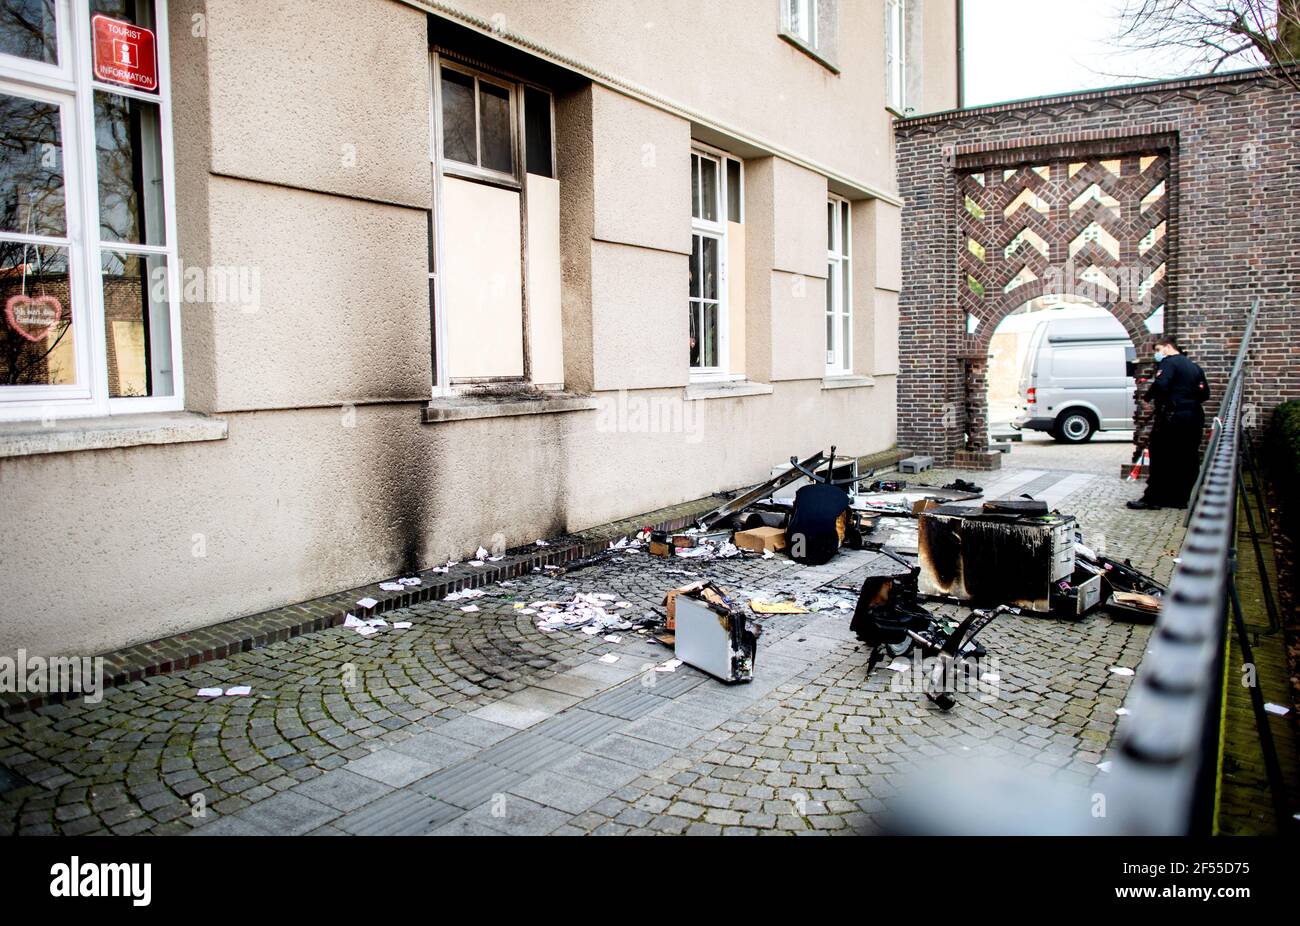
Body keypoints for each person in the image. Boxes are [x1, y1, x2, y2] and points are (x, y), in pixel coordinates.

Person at [1127, 335, 1210, 510]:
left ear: (1167, 347)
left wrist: (1150, 397)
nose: (1157, 354)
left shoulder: (1169, 362)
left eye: (1158, 350)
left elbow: (1161, 384)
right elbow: (1205, 394)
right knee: (1187, 458)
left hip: (1172, 417)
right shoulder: (1194, 367)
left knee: (1161, 456)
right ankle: (1180, 498)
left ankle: (1153, 499)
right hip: (1194, 416)